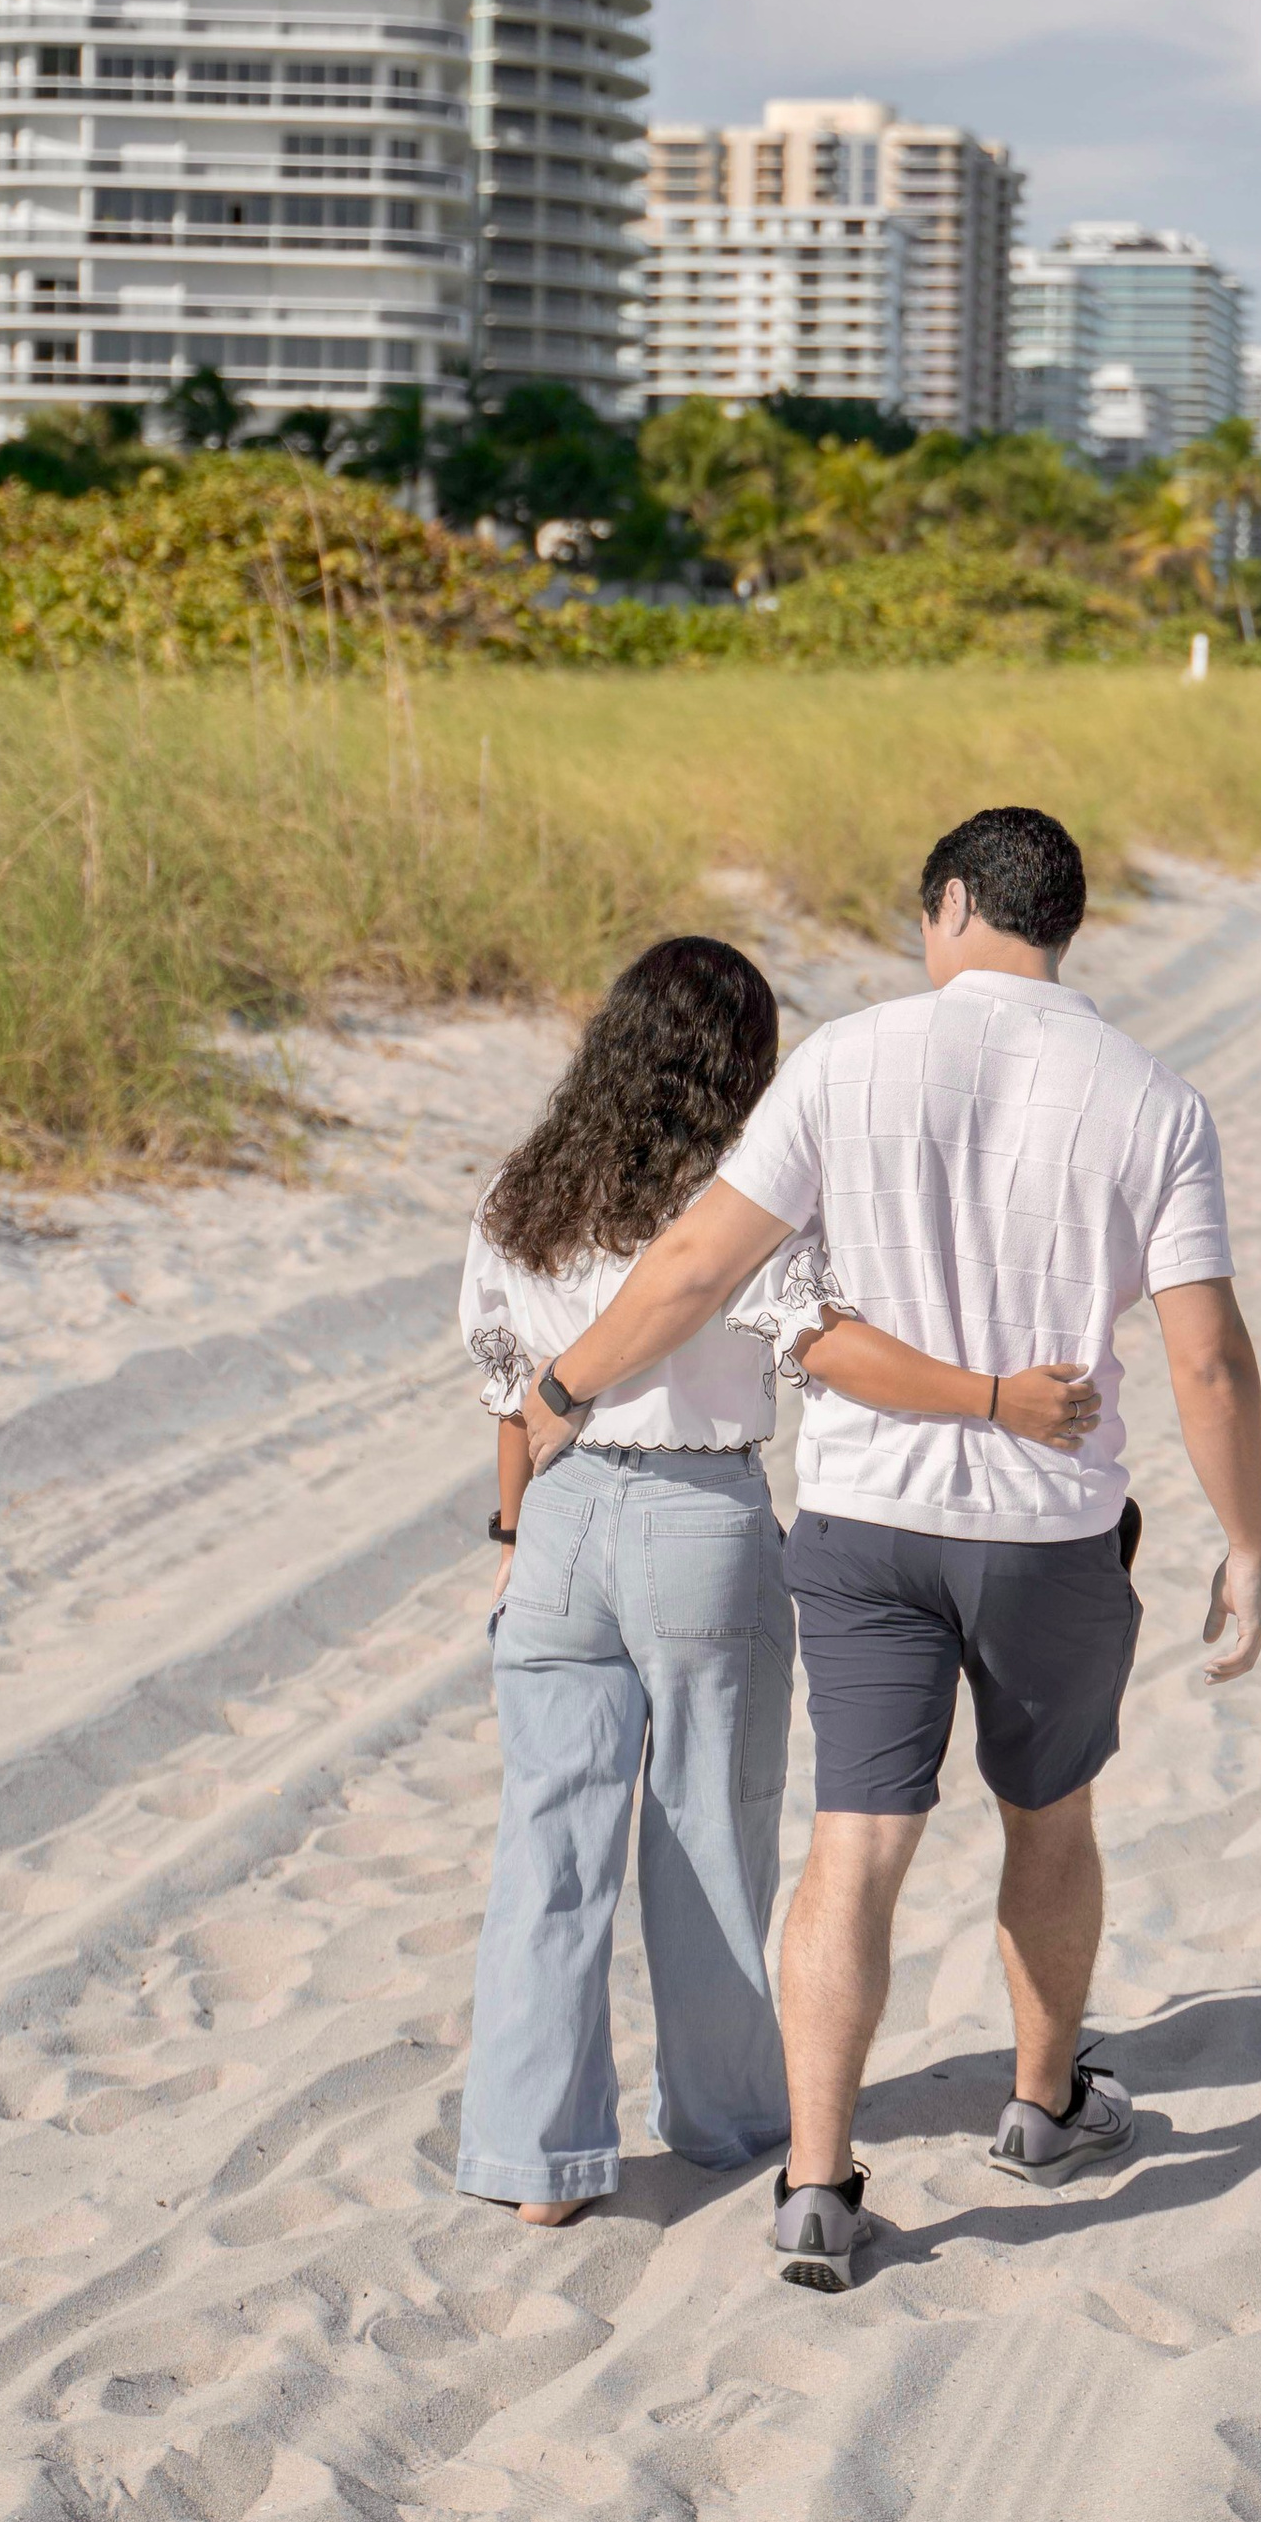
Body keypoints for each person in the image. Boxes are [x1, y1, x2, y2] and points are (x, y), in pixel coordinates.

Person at [519, 810, 1261, 2291]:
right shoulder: (1155, 1101)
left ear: (953, 905)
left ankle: (816, 2181)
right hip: (1048, 1534)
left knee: (855, 1844)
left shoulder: (843, 1060)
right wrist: (1247, 1540)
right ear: (1064, 925)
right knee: (1049, 1821)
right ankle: (1043, 2108)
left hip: (865, 1526)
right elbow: (1208, 1359)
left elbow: (697, 1264)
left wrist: (563, 1388)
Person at [459, 932, 1102, 2228]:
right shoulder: (745, 1198)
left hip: (560, 1522)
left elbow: (509, 1393)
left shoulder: (523, 1193)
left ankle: (537, 2165)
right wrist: (992, 1397)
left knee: (546, 1849)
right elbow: (826, 1347)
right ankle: (723, 2119)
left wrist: (517, 1536)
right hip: (699, 1517)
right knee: (710, 1832)